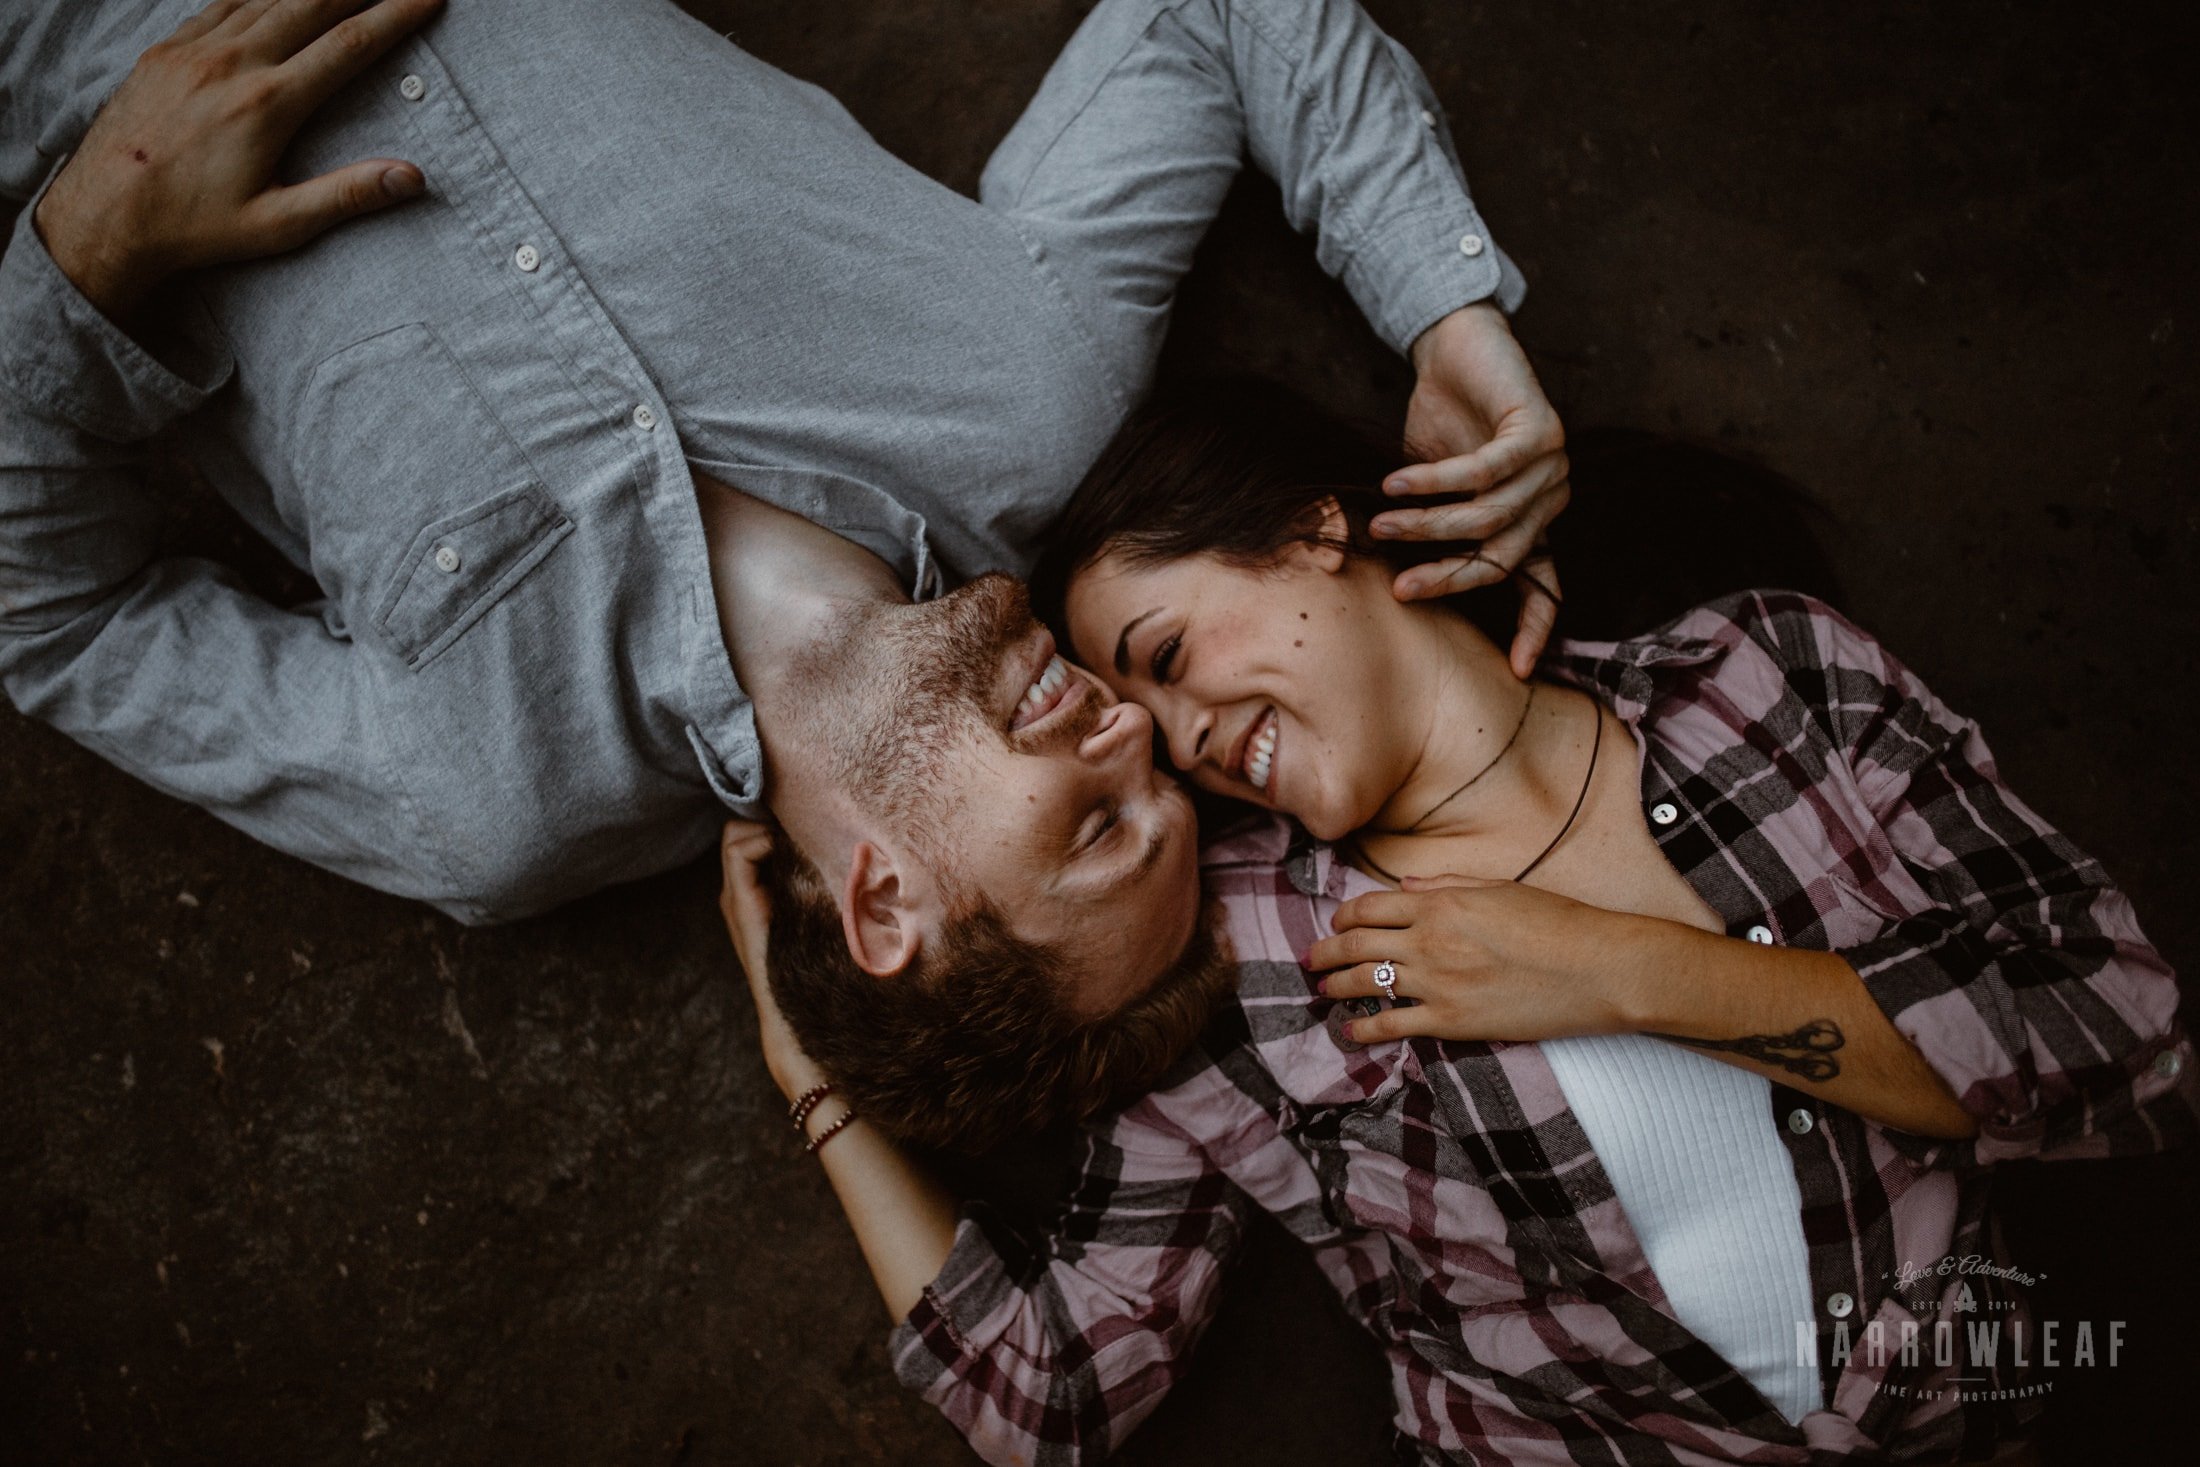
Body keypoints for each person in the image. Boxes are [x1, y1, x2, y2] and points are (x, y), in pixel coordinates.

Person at [0, 0, 1565, 1051]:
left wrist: (86, 256)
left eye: (1095, 827)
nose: (1131, 734)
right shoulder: (1038, 401)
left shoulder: (486, 797)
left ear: (887, 903)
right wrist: (1441, 309)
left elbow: (54, 618)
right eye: (1160, 779)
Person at [720, 384, 2195, 1464]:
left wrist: (1618, 969)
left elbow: (2125, 1037)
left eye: (1165, 654)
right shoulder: (1245, 966)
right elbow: (1048, 1394)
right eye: (1152, 728)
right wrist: (813, 1075)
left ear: (1313, 532)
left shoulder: (1769, 680)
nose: (1179, 735)